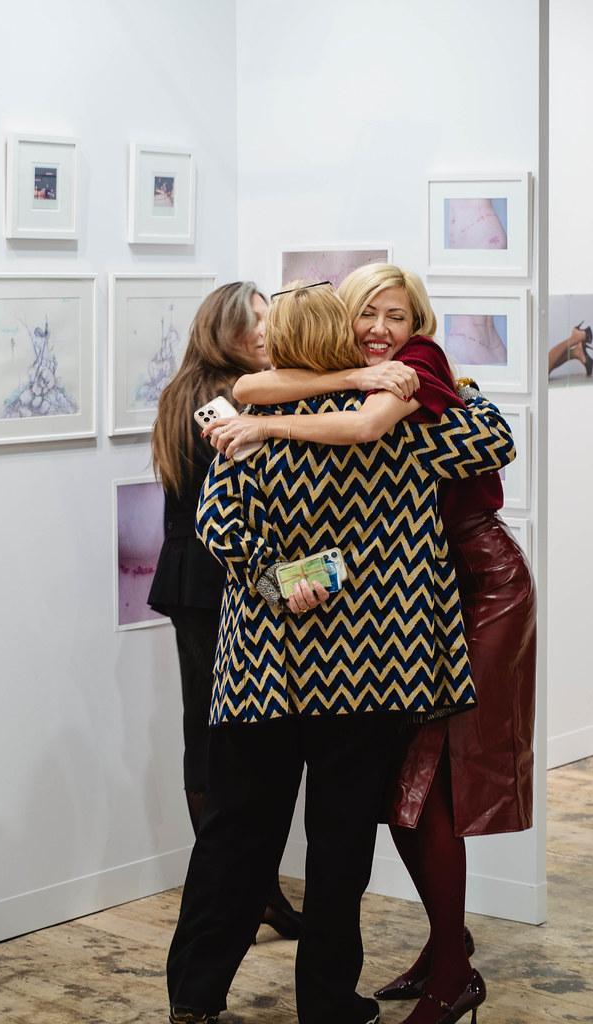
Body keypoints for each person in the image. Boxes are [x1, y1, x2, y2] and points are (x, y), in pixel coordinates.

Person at [166, 281, 516, 1024]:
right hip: (367, 672)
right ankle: (327, 1005)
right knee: (339, 850)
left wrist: (274, 577)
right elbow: (493, 437)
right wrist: (439, 381)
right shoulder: (404, 432)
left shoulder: (251, 429)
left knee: (236, 837)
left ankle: (195, 998)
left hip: (262, 670)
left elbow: (217, 526)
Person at [148, 281, 302, 940]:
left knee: (209, 731)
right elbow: (241, 510)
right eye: (254, 321)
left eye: (269, 318)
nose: (266, 330)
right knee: (225, 738)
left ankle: (249, 890)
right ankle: (239, 890)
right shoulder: (226, 396)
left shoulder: (187, 390)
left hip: (193, 578)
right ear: (224, 330)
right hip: (213, 580)